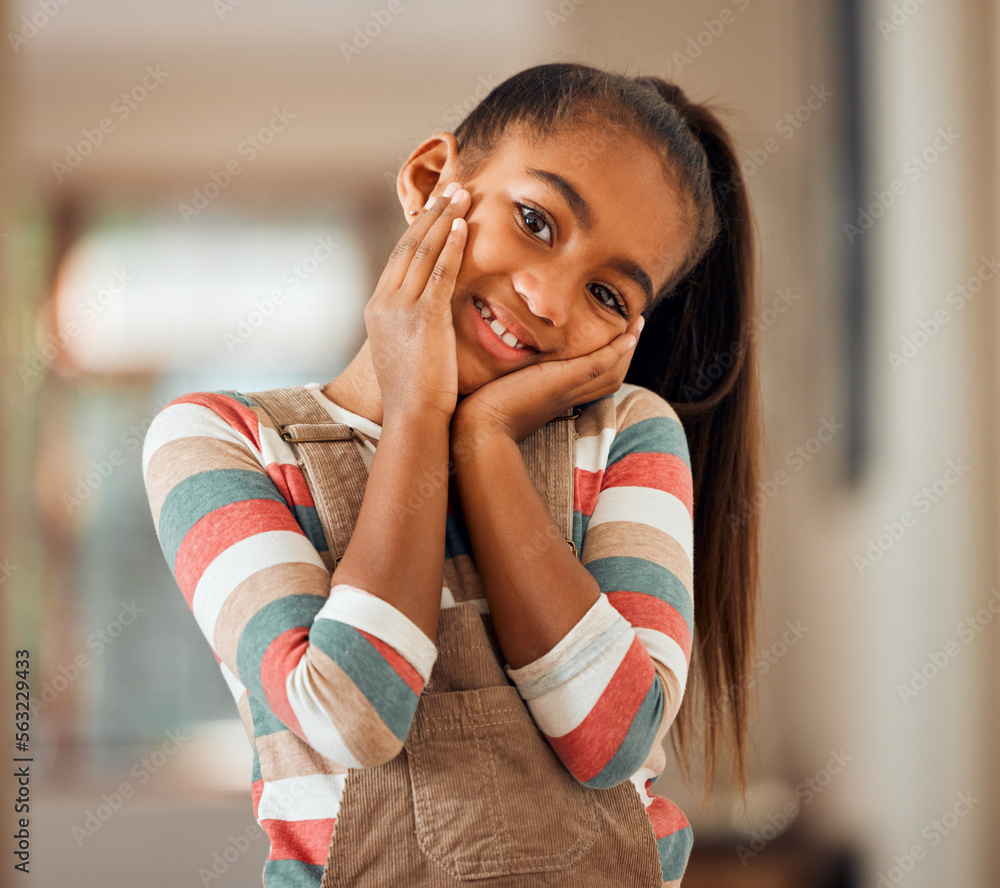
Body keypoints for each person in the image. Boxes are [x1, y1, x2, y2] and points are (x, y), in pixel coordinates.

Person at [142, 62, 761, 887]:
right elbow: (352, 714)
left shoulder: (625, 436)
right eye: (536, 220)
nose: (547, 298)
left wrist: (485, 444)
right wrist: (417, 415)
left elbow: (611, 741)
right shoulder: (223, 441)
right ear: (434, 180)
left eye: (609, 295)